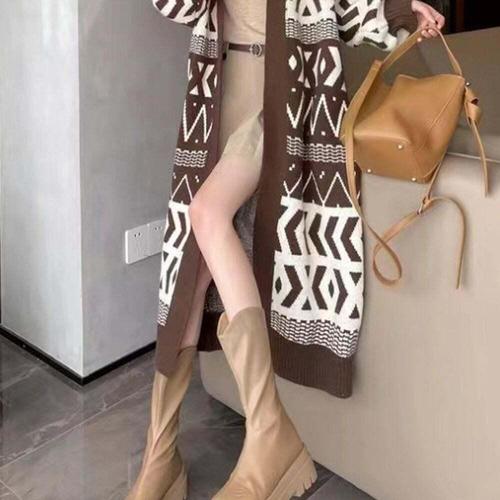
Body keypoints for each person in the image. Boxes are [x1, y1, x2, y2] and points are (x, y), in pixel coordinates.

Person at [127, 1, 445, 499]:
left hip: (282, 101)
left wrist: (401, 11)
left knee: (206, 214)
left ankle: (267, 430)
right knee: (190, 271)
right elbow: (179, 7)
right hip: (217, 94)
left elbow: (345, 9)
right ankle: (161, 452)